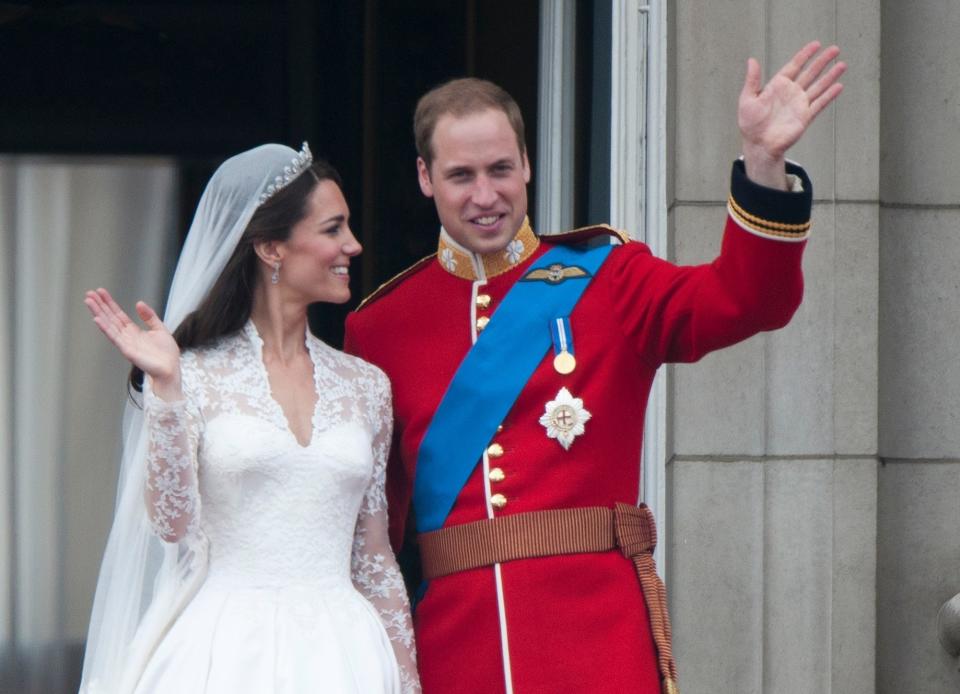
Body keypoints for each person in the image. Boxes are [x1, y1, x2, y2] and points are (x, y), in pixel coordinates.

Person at [343, 42, 845, 694]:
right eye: (461, 175)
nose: (486, 195)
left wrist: (763, 163)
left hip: (597, 645)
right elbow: (363, 524)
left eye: (501, 169)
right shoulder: (380, 327)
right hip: (456, 656)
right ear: (424, 177)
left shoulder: (608, 280)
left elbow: (749, 300)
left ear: (527, 165)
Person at [80, 143, 420, 693]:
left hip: (346, 654)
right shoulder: (192, 373)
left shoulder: (367, 387)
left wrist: (406, 679)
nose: (352, 246)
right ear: (270, 248)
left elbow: (374, 554)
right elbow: (171, 526)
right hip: (225, 651)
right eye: (333, 229)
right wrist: (166, 388)